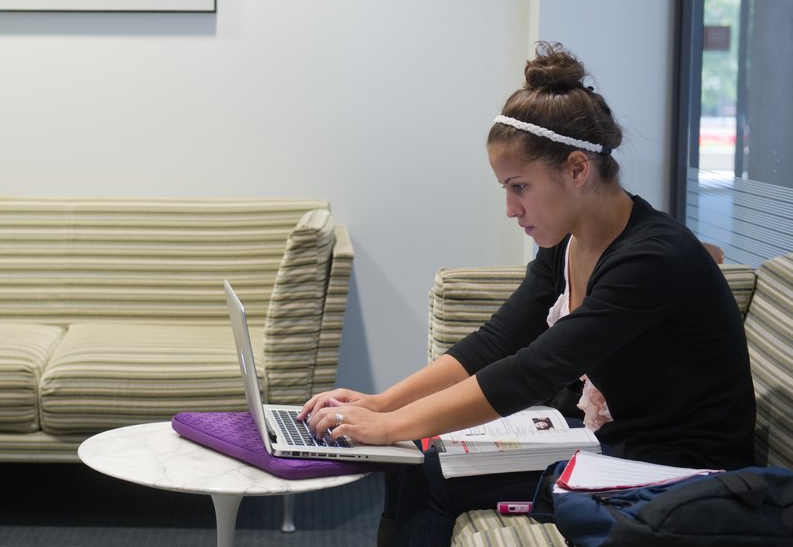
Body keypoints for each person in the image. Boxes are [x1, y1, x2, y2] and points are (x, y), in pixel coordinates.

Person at [297, 41, 756, 546]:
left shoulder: (651, 258)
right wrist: (382, 405)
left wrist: (390, 426)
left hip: (683, 468)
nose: (511, 209)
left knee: (432, 474)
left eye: (519, 187)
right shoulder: (570, 242)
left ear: (577, 170)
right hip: (622, 442)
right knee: (413, 462)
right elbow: (497, 342)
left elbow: (533, 369)